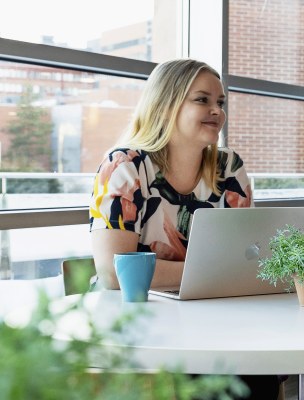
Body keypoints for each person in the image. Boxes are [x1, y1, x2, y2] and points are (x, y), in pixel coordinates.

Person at [89, 58, 275, 400]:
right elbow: (113, 273)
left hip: (210, 317)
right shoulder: (125, 166)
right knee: (229, 380)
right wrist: (212, 275)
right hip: (136, 322)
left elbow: (248, 259)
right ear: (166, 102)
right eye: (202, 99)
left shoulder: (229, 168)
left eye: (220, 102)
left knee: (260, 372)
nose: (216, 110)